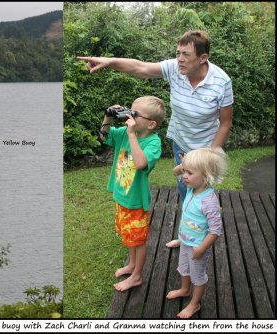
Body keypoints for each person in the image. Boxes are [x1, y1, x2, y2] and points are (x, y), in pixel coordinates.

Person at [78, 30, 233, 248]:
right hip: (181, 142)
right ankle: (187, 235)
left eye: (186, 54)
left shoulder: (221, 82)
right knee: (184, 188)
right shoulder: (174, 68)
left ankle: (203, 238)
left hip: (206, 147)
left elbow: (225, 122)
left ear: (202, 58)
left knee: (202, 193)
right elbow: (139, 67)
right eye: (177, 52)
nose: (179, 58)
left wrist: (211, 152)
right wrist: (108, 61)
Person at [100, 96, 165, 292]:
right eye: (130, 110)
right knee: (128, 237)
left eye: (135, 114)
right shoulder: (123, 133)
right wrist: (107, 117)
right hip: (122, 196)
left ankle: (137, 276)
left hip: (136, 201)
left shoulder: (153, 142)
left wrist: (131, 135)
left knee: (138, 240)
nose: (129, 115)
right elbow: (103, 137)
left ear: (151, 124)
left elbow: (140, 163)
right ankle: (130, 265)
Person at [166, 147, 227, 318]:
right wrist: (185, 164)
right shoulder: (192, 187)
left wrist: (201, 249)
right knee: (183, 268)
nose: (184, 176)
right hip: (185, 241)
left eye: (189, 173)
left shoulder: (209, 201)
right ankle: (185, 290)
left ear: (206, 176)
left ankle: (195, 304)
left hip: (198, 246)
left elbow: (215, 230)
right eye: (184, 171)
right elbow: (174, 172)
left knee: (198, 276)